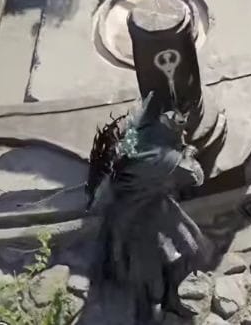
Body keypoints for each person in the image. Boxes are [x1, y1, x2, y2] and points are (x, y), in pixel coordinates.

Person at [86, 93, 213, 324]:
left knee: (190, 250)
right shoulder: (164, 157)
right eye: (179, 122)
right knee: (148, 280)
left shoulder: (138, 133)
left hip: (155, 205)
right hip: (134, 220)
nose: (183, 129)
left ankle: (171, 297)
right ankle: (148, 312)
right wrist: (188, 152)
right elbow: (197, 177)